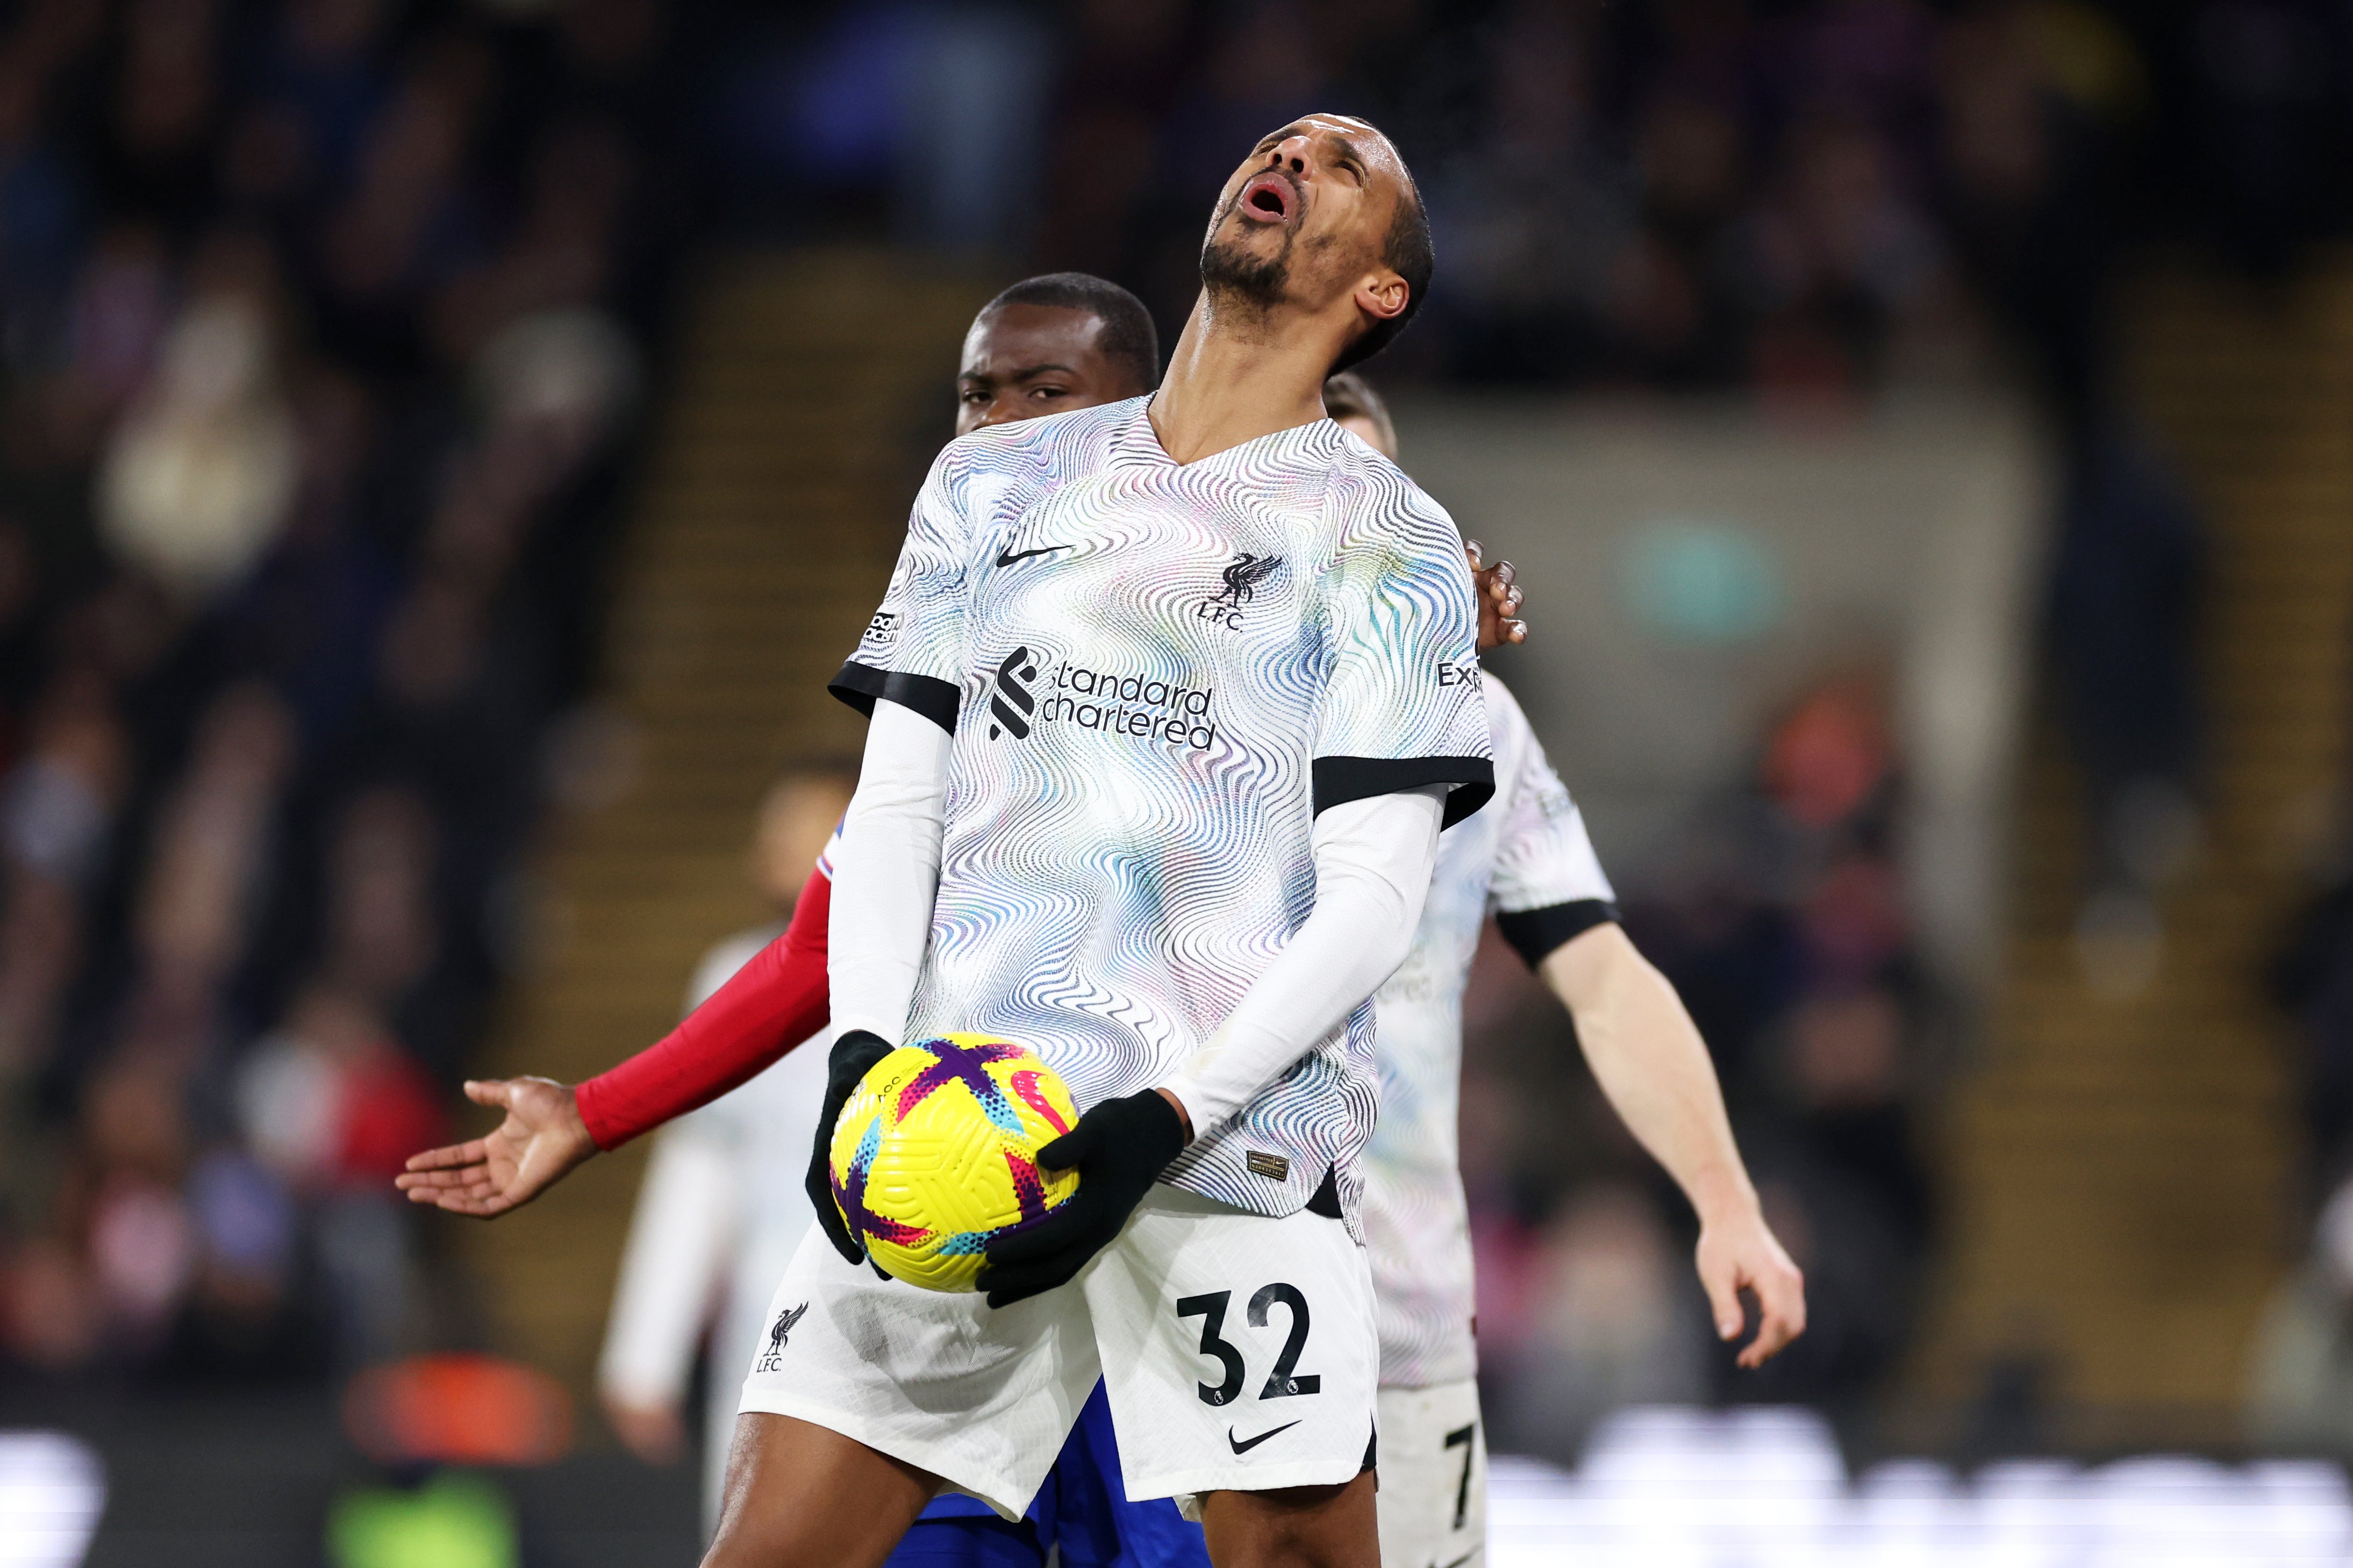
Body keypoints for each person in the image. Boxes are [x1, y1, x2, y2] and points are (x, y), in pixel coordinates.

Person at [1318, 371, 1803, 1566]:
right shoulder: (1138, 711)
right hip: (1156, 1310)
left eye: (1376, 490)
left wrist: (1724, 1198)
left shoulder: (1477, 725)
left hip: (1403, 1320)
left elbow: (1603, 977)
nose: (1348, 522)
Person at [596, 769, 853, 1530]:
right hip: (763, 1311)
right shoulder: (728, 974)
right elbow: (696, 1168)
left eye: (804, 820)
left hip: (891, 1291)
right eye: (771, 822)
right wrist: (645, 1351)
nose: (774, 839)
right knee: (749, 1528)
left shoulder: (926, 966)